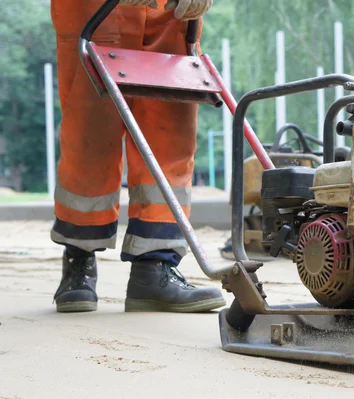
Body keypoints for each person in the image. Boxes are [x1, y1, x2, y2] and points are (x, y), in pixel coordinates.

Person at [50, 0, 226, 312]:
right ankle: (79, 260)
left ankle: (154, 267)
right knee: (89, 138)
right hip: (94, 10)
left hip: (170, 13)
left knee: (170, 136)